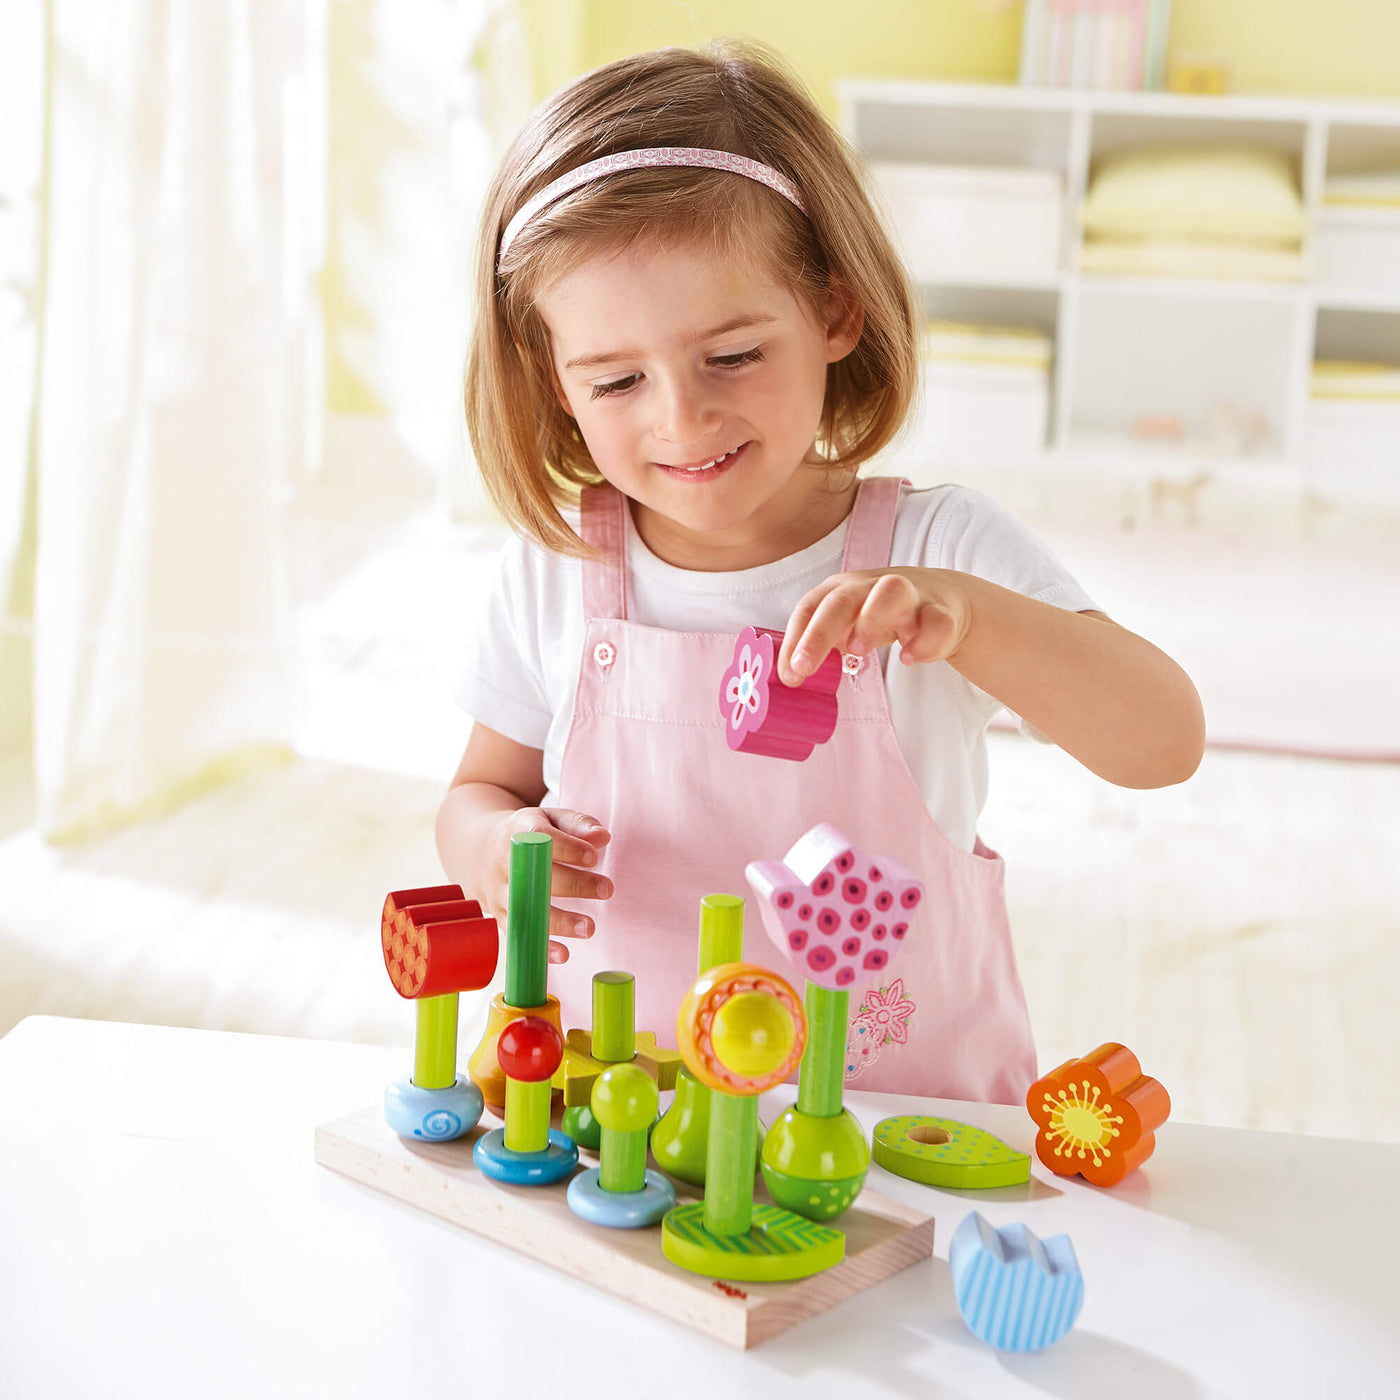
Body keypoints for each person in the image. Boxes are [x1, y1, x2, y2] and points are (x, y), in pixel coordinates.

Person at [437, 40, 1204, 1104]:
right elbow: (483, 787)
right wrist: (490, 843)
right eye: (616, 378)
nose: (681, 415)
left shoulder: (936, 551)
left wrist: (972, 618)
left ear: (833, 312)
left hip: (899, 1126)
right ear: (555, 384)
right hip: (618, 1118)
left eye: (733, 355)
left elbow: (1160, 740)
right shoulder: (555, 570)